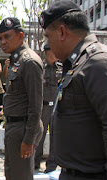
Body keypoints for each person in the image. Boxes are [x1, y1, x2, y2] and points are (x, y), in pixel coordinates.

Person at [40, 1, 107, 179]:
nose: (48, 44)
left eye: (48, 36)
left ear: (62, 32)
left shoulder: (99, 63)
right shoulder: (76, 64)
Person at [0, 17, 43, 180]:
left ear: (20, 36)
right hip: (13, 128)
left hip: (22, 129)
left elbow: (36, 105)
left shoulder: (29, 61)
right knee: (12, 174)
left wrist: (29, 139)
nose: (2, 42)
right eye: (0, 38)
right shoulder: (15, 60)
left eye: (7, 36)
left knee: (21, 176)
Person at [34, 44, 62, 173]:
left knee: (55, 138)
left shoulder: (61, 68)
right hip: (43, 107)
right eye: (53, 51)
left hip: (56, 108)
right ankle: (35, 163)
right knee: (39, 135)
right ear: (46, 52)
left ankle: (51, 166)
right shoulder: (39, 68)